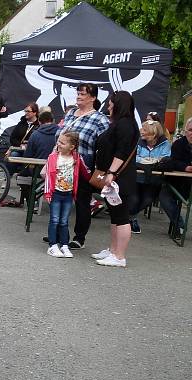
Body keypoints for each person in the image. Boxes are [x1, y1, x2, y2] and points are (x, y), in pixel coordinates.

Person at [55, 83, 109, 249]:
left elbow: (104, 147)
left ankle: (79, 237)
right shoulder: (70, 113)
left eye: (83, 94)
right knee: (60, 199)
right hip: (62, 162)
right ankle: (58, 234)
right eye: (78, 93)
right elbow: (59, 136)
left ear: (93, 98)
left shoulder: (101, 120)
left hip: (83, 165)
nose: (78, 96)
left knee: (82, 202)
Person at [89, 91, 139, 268]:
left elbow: (122, 151)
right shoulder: (119, 123)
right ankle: (113, 250)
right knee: (115, 215)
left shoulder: (125, 124)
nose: (108, 106)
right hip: (115, 176)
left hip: (119, 177)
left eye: (111, 103)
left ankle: (119, 256)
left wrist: (111, 172)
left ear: (118, 104)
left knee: (122, 216)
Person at [43, 131, 90, 258]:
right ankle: (53, 245)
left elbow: (85, 171)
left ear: (72, 147)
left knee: (64, 221)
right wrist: (47, 192)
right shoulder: (53, 157)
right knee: (54, 220)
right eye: (58, 141)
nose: (59, 144)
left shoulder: (77, 157)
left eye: (62, 143)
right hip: (56, 193)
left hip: (68, 194)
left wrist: (95, 178)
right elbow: (48, 176)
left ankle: (64, 245)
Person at [130, 119, 171, 233]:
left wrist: (146, 161)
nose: (141, 131)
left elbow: (165, 158)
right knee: (134, 199)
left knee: (147, 200)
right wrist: (150, 161)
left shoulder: (165, 144)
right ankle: (131, 219)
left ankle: (129, 216)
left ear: (153, 133)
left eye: (144, 130)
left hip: (153, 179)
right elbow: (134, 157)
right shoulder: (138, 142)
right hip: (137, 177)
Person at [158, 117, 192, 238]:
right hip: (177, 182)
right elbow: (172, 162)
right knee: (164, 197)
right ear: (185, 130)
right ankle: (180, 225)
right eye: (190, 130)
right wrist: (186, 168)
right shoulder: (178, 144)